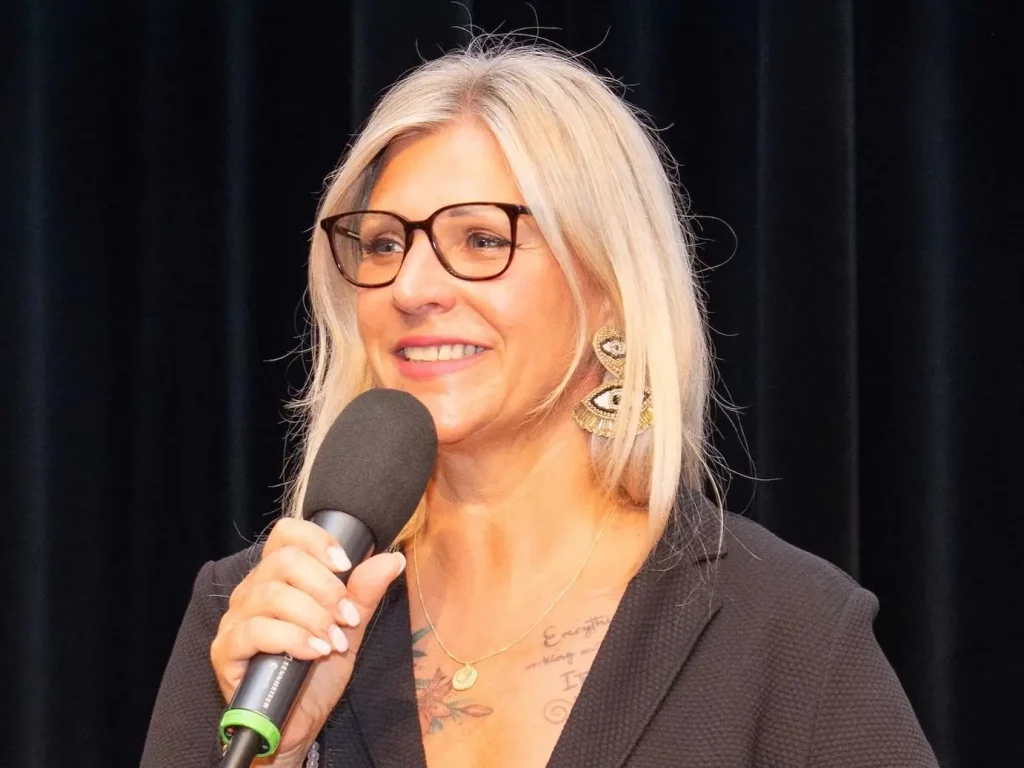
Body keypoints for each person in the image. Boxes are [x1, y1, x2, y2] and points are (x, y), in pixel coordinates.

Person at [140, 40, 938, 768]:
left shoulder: (787, 631)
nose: (411, 287)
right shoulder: (258, 625)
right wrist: (277, 759)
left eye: (482, 240)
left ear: (609, 287)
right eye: (383, 243)